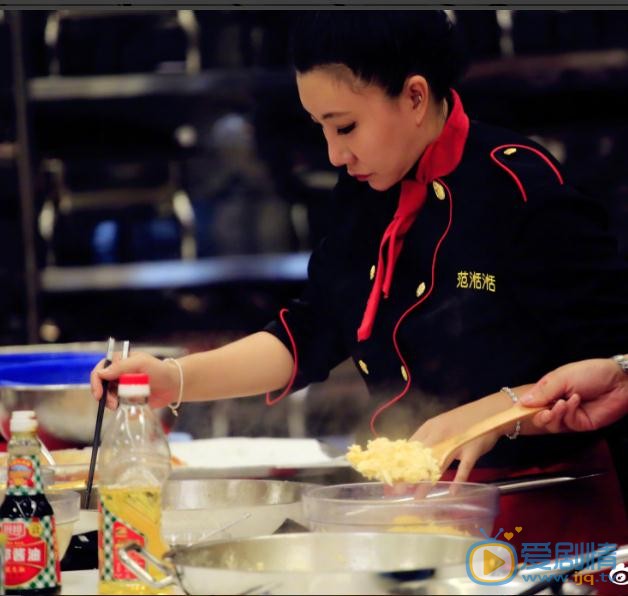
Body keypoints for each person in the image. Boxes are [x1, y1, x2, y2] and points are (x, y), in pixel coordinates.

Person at [91, 12, 628, 541]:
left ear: (415, 97)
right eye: (320, 127)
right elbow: (314, 328)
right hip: (422, 513)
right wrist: (173, 379)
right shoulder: (364, 192)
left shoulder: (518, 187)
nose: (334, 152)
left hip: (544, 511)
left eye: (346, 126)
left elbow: (612, 366)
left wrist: (492, 415)